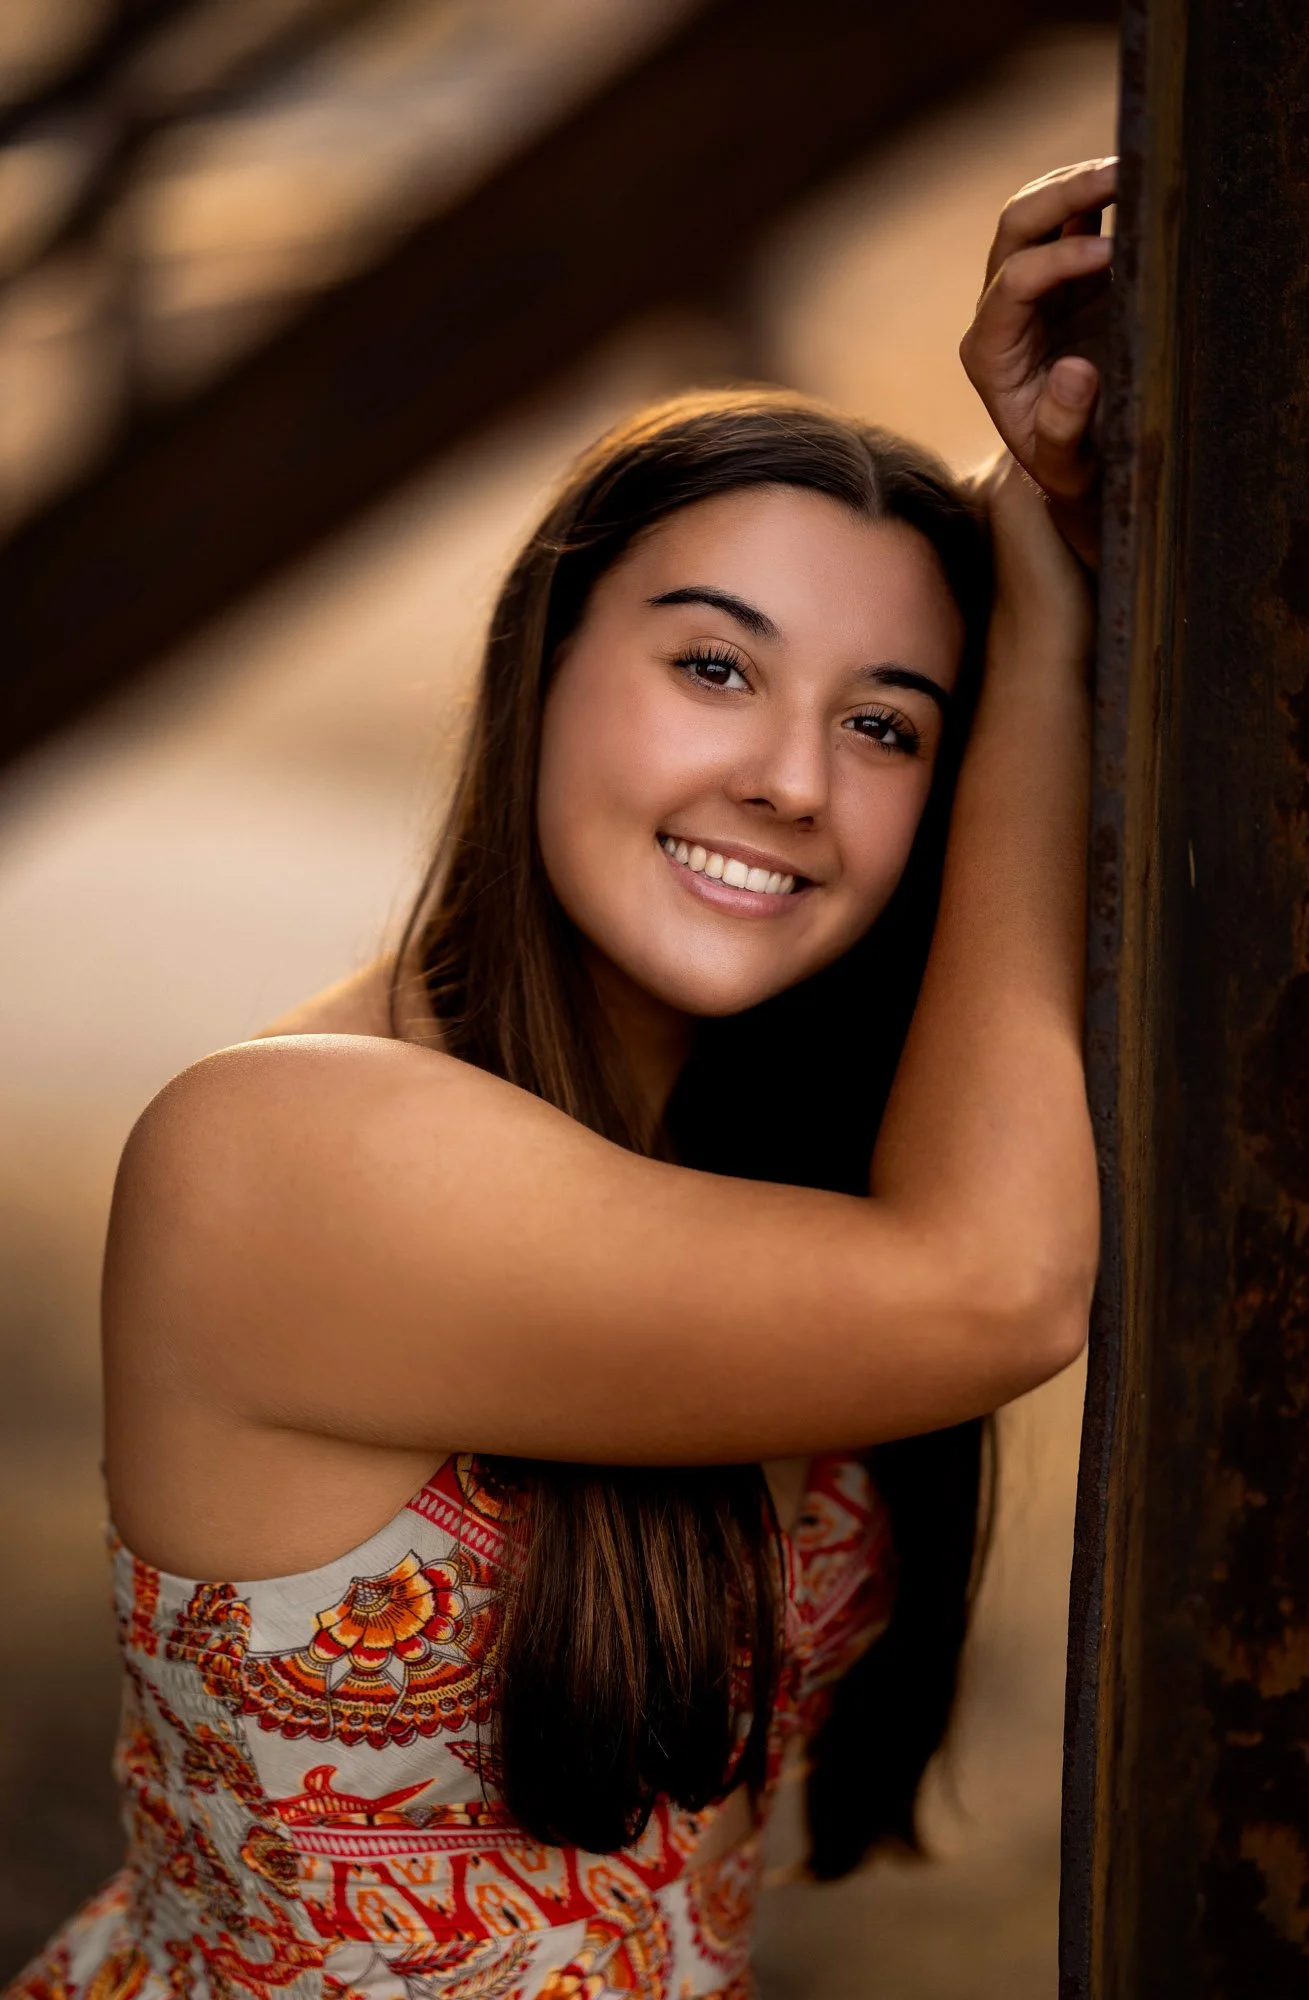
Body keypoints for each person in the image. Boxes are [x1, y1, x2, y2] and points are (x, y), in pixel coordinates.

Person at [9, 160, 1114, 2000]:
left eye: (882, 723)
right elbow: (992, 1288)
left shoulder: (758, 1133)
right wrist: (1039, 649)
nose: (786, 777)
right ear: (541, 665)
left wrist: (1036, 486)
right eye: (709, 666)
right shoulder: (277, 1149)